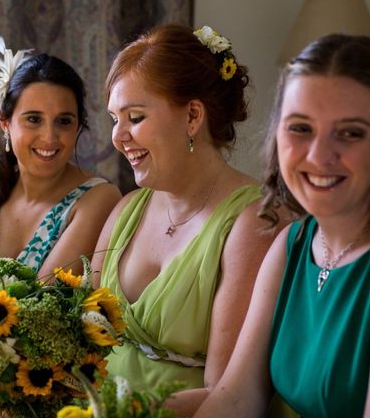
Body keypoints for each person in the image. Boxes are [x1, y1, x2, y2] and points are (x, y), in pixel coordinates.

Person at [194, 34, 370, 418]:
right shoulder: (293, 242)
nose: (318, 155)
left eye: (350, 133)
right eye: (300, 128)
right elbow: (236, 397)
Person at [91, 23, 280, 416]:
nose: (118, 136)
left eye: (135, 117)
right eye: (114, 119)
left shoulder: (251, 224)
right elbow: (82, 341)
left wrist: (109, 414)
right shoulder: (126, 210)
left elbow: (229, 394)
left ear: (193, 115)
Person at [0, 29, 121, 282]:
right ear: (5, 123)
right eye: (34, 119)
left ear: (78, 127)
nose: (50, 137)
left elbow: (43, 303)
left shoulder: (97, 199)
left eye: (64, 121)